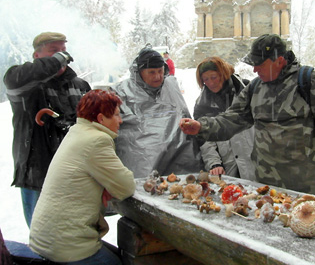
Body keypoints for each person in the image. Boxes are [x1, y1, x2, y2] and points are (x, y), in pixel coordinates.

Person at [180, 34, 315, 197]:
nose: (254, 69)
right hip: (265, 182)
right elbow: (231, 119)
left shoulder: (310, 82)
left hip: (305, 183)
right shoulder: (255, 88)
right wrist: (202, 127)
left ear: (279, 60)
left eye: (260, 64)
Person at [29, 89, 136, 265]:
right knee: (127, 261)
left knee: (122, 256)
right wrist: (108, 185)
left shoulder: (77, 132)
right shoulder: (97, 140)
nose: (121, 120)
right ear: (101, 119)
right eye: (116, 115)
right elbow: (126, 187)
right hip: (67, 245)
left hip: (47, 237)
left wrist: (103, 185)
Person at [3, 32, 91, 227]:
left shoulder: (80, 85)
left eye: (63, 51)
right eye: (54, 51)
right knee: (43, 234)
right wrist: (57, 61)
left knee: (75, 233)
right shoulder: (25, 85)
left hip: (75, 175)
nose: (62, 57)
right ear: (37, 56)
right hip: (38, 174)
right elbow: (12, 80)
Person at [114, 45, 201, 178]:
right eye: (152, 72)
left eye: (160, 71)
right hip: (142, 162)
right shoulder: (122, 91)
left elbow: (184, 114)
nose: (158, 76)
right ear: (139, 72)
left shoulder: (170, 86)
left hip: (179, 159)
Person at [194, 57, 255, 180]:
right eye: (206, 79)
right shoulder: (202, 105)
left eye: (214, 77)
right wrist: (214, 163)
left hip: (254, 162)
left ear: (223, 74)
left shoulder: (247, 91)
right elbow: (204, 140)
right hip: (228, 166)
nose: (210, 83)